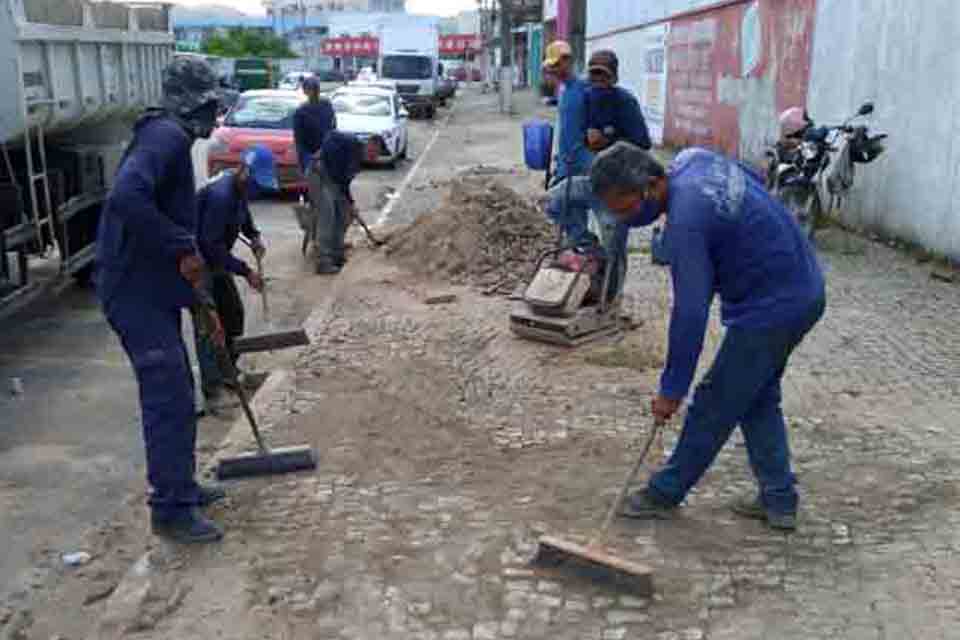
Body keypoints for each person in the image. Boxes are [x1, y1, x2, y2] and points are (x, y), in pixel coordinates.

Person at [588, 142, 826, 532]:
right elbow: (754, 180)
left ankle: (665, 493)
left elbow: (691, 313)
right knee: (756, 397)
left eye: (626, 207)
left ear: (651, 185)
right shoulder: (694, 160)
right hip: (802, 284)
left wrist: (672, 389)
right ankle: (779, 499)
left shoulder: (686, 222)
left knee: (715, 401)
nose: (624, 218)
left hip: (776, 306)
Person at [95, 57, 227, 544]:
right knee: (168, 394)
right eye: (212, 106)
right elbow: (126, 198)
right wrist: (180, 245)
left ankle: (183, 488)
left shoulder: (171, 137)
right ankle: (170, 509)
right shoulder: (165, 137)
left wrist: (200, 300)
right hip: (133, 292)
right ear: (193, 101)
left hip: (154, 289)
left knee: (179, 389)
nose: (216, 119)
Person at [193, 145, 277, 412]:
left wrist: (254, 235)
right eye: (255, 183)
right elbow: (211, 246)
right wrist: (246, 271)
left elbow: (244, 217)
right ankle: (213, 390)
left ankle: (229, 372)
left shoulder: (239, 190)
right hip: (198, 262)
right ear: (244, 171)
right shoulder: (220, 196)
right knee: (209, 326)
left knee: (233, 315)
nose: (256, 190)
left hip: (216, 259)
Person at [306, 129, 363, 274]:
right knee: (327, 216)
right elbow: (329, 136)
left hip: (332, 179)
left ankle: (336, 253)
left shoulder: (358, 157)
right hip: (318, 175)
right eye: (373, 153)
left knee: (343, 216)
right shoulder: (350, 145)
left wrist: (350, 203)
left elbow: (344, 181)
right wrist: (350, 202)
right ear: (371, 145)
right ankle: (323, 262)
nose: (373, 157)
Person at [584, 50, 652, 153]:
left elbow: (643, 143)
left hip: (617, 165)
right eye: (593, 77)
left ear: (615, 79)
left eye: (604, 79)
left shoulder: (626, 102)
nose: (598, 83)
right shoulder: (583, 98)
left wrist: (606, 141)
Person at [293, 76, 337, 179]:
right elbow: (299, 140)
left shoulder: (327, 105)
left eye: (316, 88)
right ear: (305, 91)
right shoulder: (301, 111)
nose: (316, 91)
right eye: (312, 88)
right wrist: (303, 163)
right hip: (310, 155)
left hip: (326, 153)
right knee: (313, 186)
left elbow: (333, 128)